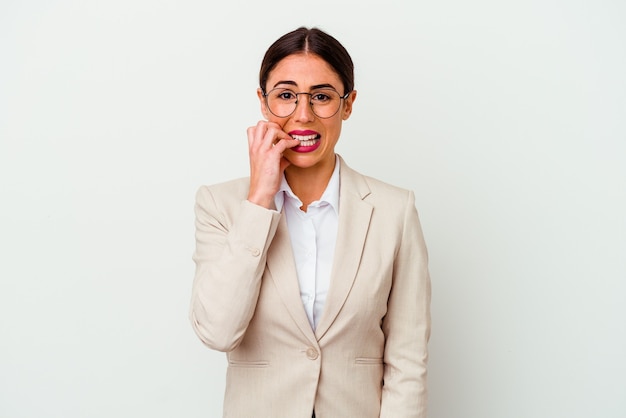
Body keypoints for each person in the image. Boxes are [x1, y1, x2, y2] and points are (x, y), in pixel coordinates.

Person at [189, 26, 431, 418]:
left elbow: (408, 359)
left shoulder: (394, 210)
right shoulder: (220, 205)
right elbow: (217, 331)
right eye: (285, 96)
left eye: (321, 97)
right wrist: (259, 200)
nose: (303, 115)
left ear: (348, 104)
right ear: (263, 104)